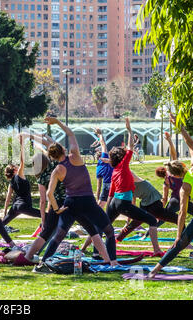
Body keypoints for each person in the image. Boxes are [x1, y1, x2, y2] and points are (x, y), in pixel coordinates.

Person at [33, 117, 119, 273]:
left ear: (52, 157)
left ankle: (43, 264)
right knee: (109, 231)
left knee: (59, 236)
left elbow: (49, 193)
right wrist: (57, 122)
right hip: (87, 202)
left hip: (70, 204)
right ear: (63, 150)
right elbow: (71, 134)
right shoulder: (75, 157)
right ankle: (113, 262)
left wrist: (57, 208)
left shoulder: (57, 170)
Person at [149, 114, 193, 278]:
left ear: (176, 176)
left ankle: (155, 270)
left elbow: (182, 214)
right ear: (182, 166)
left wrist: (178, 236)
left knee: (180, 244)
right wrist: (180, 127)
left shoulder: (184, 188)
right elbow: (192, 145)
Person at [102, 118, 164, 256]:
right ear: (122, 158)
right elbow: (130, 147)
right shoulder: (123, 167)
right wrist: (129, 131)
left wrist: (108, 211)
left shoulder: (115, 171)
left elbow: (111, 194)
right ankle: (157, 250)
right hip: (123, 203)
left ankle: (94, 252)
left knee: (104, 226)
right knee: (152, 220)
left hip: (115, 202)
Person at [19, 133, 67, 263]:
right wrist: (31, 136)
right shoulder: (53, 164)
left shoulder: (40, 177)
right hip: (68, 200)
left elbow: (42, 201)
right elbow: (50, 145)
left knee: (46, 233)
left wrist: (43, 218)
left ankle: (29, 256)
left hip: (55, 203)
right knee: (91, 225)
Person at [0, 135, 42, 241]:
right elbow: (22, 161)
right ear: (15, 170)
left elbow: (7, 198)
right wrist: (22, 144)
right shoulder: (19, 174)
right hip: (24, 206)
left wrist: (5, 212)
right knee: (46, 216)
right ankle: (43, 235)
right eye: (16, 166)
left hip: (15, 206)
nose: (18, 166)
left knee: (1, 223)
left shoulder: (11, 182)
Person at [93, 128, 114, 209]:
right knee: (113, 204)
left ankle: (96, 216)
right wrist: (100, 134)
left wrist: (98, 198)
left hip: (106, 185)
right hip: (114, 183)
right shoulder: (105, 158)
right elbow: (103, 144)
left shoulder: (98, 168)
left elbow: (99, 186)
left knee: (102, 204)